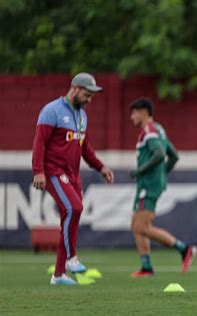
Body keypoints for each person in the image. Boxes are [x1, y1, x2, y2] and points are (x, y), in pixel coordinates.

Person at [32, 73, 114, 285]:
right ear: (74, 88)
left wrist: (101, 167)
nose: (89, 100)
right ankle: (71, 259)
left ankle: (58, 275)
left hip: (72, 174)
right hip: (52, 171)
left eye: (91, 96)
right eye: (87, 95)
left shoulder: (82, 116)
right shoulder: (52, 111)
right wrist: (38, 171)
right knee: (73, 209)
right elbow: (39, 143)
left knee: (71, 220)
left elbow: (85, 148)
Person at [129, 97, 197, 277]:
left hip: (148, 185)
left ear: (144, 112)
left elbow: (159, 154)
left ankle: (184, 249)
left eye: (134, 112)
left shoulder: (149, 130)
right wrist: (162, 174)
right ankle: (146, 267)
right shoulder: (158, 129)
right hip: (151, 183)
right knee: (136, 224)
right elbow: (173, 156)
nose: (131, 117)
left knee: (142, 227)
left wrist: (140, 171)